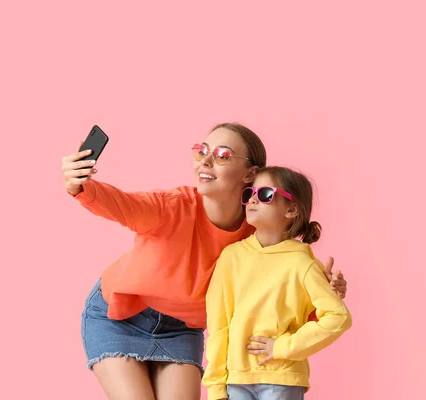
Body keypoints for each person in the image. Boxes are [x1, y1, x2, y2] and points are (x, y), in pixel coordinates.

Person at [61, 123, 348, 400]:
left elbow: (282, 298)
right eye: (201, 151)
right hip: (118, 317)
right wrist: (80, 184)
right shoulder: (171, 206)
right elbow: (120, 204)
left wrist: (322, 293)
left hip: (181, 329)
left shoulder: (259, 234)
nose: (206, 161)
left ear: (250, 173)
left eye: (223, 155)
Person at [202, 166, 352, 400]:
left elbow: (338, 317)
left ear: (291, 209)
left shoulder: (303, 263)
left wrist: (283, 347)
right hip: (236, 379)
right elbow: (218, 325)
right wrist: (215, 386)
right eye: (249, 193)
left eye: (264, 194)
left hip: (283, 378)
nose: (252, 199)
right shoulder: (230, 257)